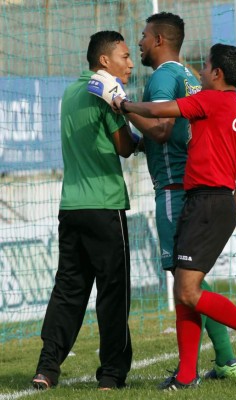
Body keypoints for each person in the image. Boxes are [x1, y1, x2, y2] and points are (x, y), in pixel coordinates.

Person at [112, 43, 236, 390]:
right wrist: (232, 205)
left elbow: (163, 112)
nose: (199, 73)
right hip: (216, 203)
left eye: (204, 67)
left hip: (204, 202)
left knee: (188, 290)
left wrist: (124, 104)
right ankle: (187, 376)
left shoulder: (211, 99)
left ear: (217, 74)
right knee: (185, 289)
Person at [120, 12, 236, 381]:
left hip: (174, 189)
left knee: (186, 281)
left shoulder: (162, 75)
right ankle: (221, 360)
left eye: (143, 36)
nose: (139, 42)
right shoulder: (190, 75)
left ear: (159, 40)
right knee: (189, 278)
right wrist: (142, 144)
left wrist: (120, 105)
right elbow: (170, 134)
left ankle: (228, 355)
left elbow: (160, 127)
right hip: (188, 185)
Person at [31, 31, 136, 391]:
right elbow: (123, 147)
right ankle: (111, 375)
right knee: (114, 292)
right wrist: (143, 136)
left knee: (69, 290)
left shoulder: (71, 92)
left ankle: (47, 368)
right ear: (104, 61)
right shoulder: (104, 94)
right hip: (104, 206)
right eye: (124, 56)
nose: (130, 63)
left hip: (71, 207)